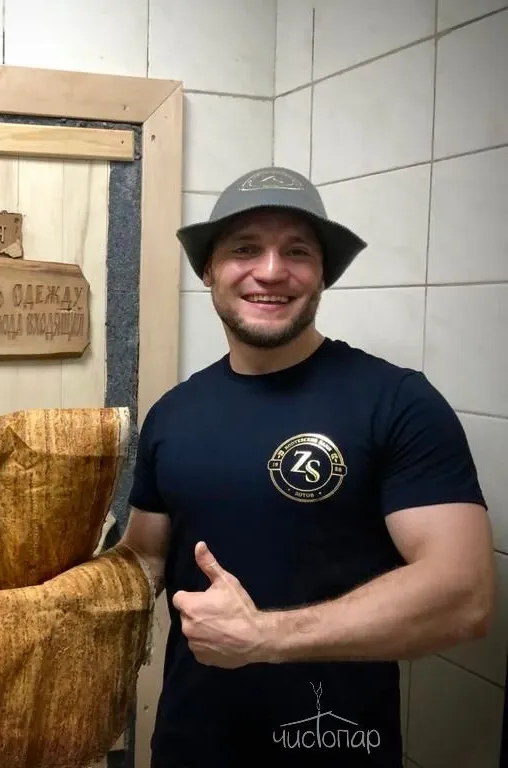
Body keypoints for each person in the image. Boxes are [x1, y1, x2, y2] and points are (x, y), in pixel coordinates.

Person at [115, 166, 495, 767]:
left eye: (297, 252)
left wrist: (264, 637)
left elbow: (464, 596)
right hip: (190, 745)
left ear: (322, 275)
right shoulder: (173, 413)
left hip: (337, 745)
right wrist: (46, 587)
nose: (271, 271)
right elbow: (146, 557)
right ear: (208, 270)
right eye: (244, 249)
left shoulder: (397, 402)